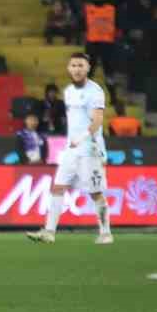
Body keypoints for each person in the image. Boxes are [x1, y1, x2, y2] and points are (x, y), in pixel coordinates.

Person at [27, 52, 112, 245]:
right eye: (73, 65)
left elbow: (97, 120)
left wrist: (82, 137)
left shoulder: (95, 91)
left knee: (95, 192)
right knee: (57, 187)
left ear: (88, 68)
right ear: (68, 68)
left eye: (81, 65)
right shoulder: (68, 91)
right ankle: (49, 232)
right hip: (71, 150)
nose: (77, 69)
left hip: (90, 149)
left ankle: (106, 232)